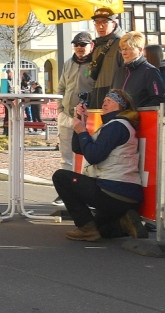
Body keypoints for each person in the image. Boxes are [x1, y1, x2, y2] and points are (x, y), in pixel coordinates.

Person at [51, 89, 147, 242]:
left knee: (61, 177)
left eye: (111, 100)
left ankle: (85, 229)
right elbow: (78, 148)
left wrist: (82, 131)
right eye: (105, 99)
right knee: (102, 230)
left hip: (112, 190)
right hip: (124, 195)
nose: (105, 102)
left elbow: (94, 156)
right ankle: (124, 223)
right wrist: (80, 121)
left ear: (121, 106)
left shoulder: (117, 125)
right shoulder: (112, 125)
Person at [57, 32, 94, 170]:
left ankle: (82, 185)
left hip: (85, 117)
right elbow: (61, 87)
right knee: (65, 156)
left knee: (85, 153)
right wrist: (61, 109)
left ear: (91, 46)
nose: (79, 47)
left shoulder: (94, 64)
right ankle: (67, 187)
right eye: (76, 45)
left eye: (83, 44)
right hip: (66, 115)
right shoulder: (68, 63)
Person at [112, 31, 165, 108]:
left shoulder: (150, 71)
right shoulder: (119, 72)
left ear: (140, 50)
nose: (124, 53)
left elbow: (158, 99)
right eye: (122, 49)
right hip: (118, 117)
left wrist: (139, 113)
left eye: (128, 49)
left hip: (138, 118)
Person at [87, 8, 123, 108]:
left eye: (104, 22)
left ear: (114, 24)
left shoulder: (122, 44)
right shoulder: (97, 45)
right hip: (97, 95)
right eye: (97, 23)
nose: (100, 26)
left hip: (114, 97)